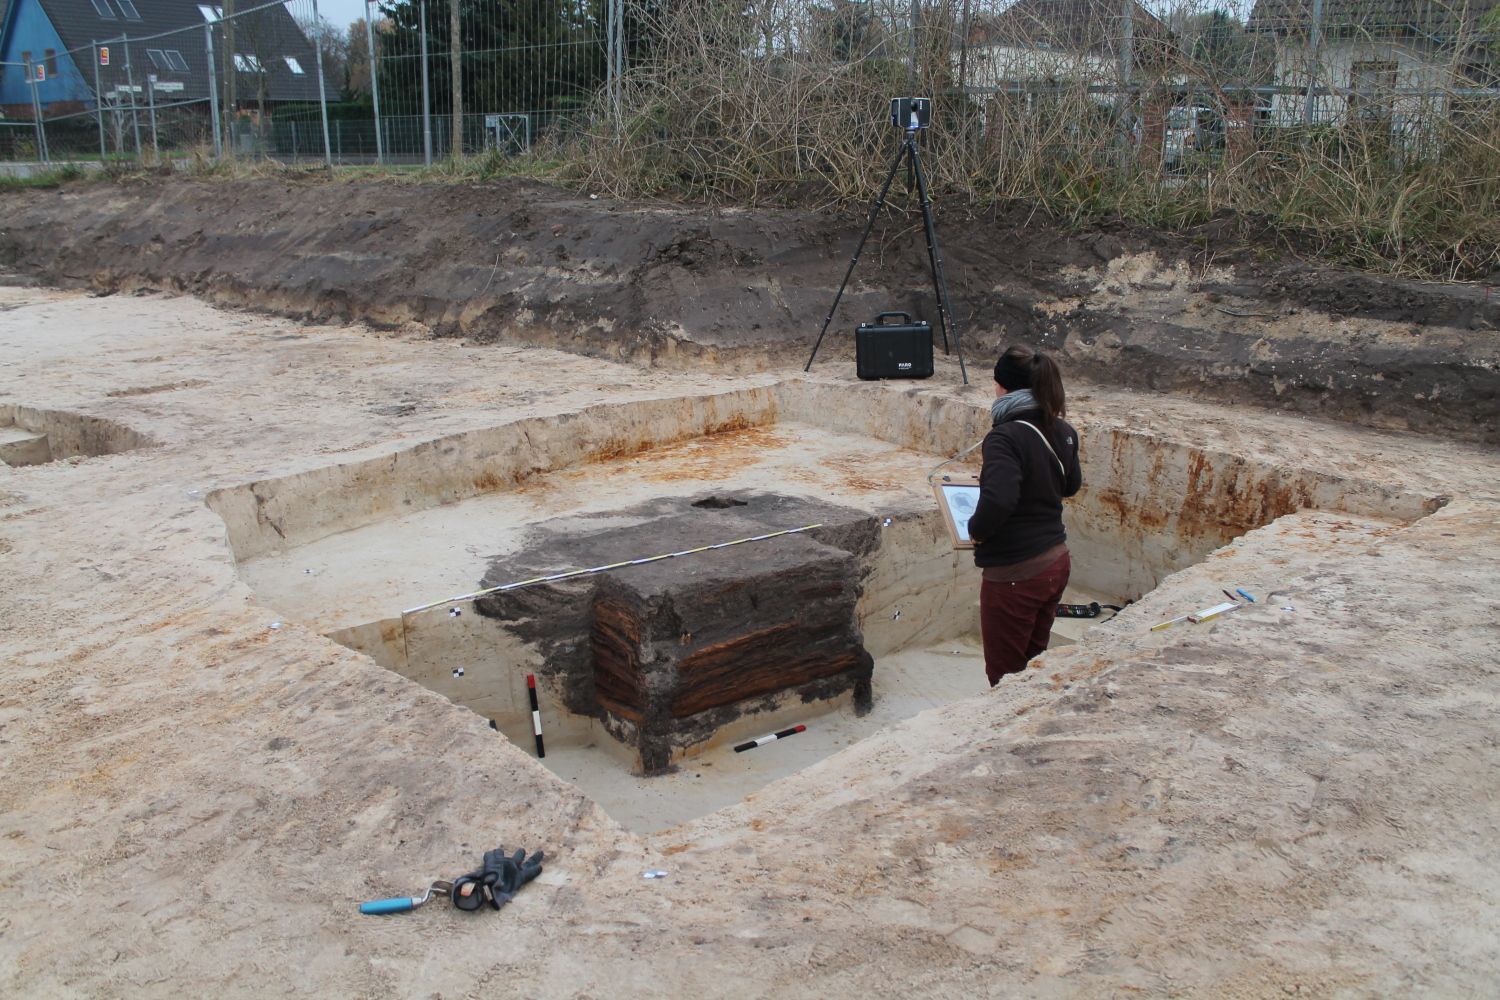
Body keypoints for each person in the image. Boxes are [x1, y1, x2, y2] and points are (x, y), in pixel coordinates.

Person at [966, 345, 1083, 686]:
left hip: (1016, 571)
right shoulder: (1064, 431)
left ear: (1003, 387)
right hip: (1055, 562)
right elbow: (1070, 485)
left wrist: (975, 531)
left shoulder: (1004, 437)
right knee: (1034, 662)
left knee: (1004, 675)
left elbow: (999, 501)